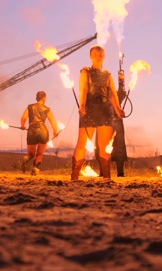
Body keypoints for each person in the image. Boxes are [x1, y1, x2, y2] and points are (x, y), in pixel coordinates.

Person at [71, 45, 125, 181]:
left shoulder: (107, 74)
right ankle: (75, 175)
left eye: (101, 54)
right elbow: (83, 90)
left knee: (105, 145)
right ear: (90, 56)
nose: (98, 56)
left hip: (105, 111)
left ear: (104, 56)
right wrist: (82, 106)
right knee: (82, 143)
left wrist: (117, 109)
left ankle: (107, 176)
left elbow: (112, 93)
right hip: (89, 109)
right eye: (95, 54)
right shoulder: (85, 72)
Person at [20, 91, 59, 176]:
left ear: (36, 98)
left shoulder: (29, 107)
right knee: (40, 153)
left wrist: (23, 125)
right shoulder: (47, 109)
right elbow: (53, 121)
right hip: (43, 131)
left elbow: (23, 118)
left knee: (31, 154)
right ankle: (35, 169)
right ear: (44, 98)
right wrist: (55, 131)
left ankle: (26, 159)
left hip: (31, 130)